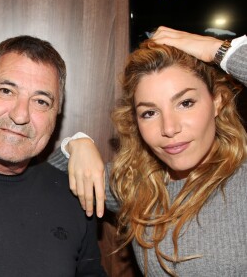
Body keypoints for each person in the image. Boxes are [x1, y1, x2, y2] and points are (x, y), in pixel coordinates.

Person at [49, 27, 247, 276]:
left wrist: (217, 50)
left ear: (217, 102)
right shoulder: (136, 186)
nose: (169, 128)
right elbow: (41, 178)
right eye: (150, 113)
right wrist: (76, 145)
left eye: (185, 103)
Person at [0, 35, 106, 276]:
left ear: (56, 116)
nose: (20, 115)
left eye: (41, 101)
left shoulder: (74, 195)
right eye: (6, 90)